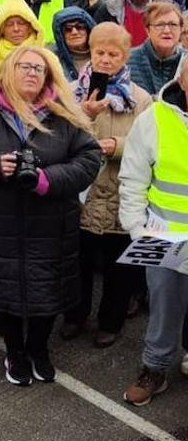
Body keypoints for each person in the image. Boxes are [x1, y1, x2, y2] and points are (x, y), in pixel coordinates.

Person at [0, 47, 100, 386]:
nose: (32, 73)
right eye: (24, 66)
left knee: (47, 293)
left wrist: (48, 180)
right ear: (8, 71)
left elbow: (89, 159)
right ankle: (15, 352)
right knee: (5, 295)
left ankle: (39, 349)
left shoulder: (64, 115)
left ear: (49, 76)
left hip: (51, 224)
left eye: (39, 69)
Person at [62, 23, 149, 347]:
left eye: (114, 54)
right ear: (90, 51)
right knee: (77, 263)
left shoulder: (140, 100)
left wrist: (118, 146)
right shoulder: (71, 91)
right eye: (100, 52)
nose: (106, 59)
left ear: (125, 56)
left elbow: (149, 144)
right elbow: (57, 136)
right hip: (81, 194)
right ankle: (75, 315)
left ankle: (110, 322)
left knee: (118, 268)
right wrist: (84, 113)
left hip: (119, 194)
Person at [120, 53, 188, 405]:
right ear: (181, 78)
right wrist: (137, 229)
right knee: (163, 306)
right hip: (162, 235)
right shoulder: (154, 118)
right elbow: (132, 178)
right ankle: (155, 367)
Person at [127, 2, 185, 94]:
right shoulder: (127, 60)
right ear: (147, 30)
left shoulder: (186, 61)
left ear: (181, 29)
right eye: (160, 25)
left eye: (173, 25)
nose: (167, 30)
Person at [49, 8, 96, 81]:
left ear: (88, 30)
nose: (74, 32)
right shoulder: (51, 60)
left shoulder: (102, 56)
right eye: (68, 29)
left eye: (80, 27)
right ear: (60, 35)